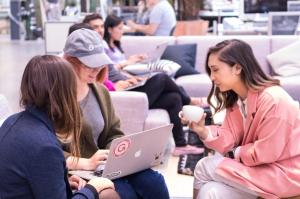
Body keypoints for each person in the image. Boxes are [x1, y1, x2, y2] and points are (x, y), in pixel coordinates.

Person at [182, 39, 300, 199]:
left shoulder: (274, 100)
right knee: (210, 192)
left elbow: (265, 153)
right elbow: (229, 138)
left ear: (237, 67)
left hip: (284, 174)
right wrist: (203, 131)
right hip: (260, 170)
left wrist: (234, 153)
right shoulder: (238, 101)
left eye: (215, 70)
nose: (212, 77)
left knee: (204, 166)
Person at [63, 28, 170, 199]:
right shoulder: (55, 97)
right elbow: (45, 149)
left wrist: (120, 155)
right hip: (81, 170)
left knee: (154, 182)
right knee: (125, 193)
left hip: (105, 166)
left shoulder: (99, 91)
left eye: (99, 63)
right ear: (69, 61)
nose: (96, 69)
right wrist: (85, 162)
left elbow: (113, 133)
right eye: (88, 64)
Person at [84, 13, 207, 155]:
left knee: (174, 98)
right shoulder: (92, 56)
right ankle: (190, 101)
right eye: (95, 27)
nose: (100, 30)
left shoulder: (103, 47)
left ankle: (180, 145)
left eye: (101, 26)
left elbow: (111, 73)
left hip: (126, 87)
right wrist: (117, 85)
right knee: (162, 78)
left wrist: (128, 78)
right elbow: (100, 80)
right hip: (124, 94)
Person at [0, 55, 119, 199]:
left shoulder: (12, 122)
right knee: (108, 194)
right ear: (63, 93)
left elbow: (27, 179)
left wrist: (62, 181)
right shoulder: (45, 147)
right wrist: (92, 188)